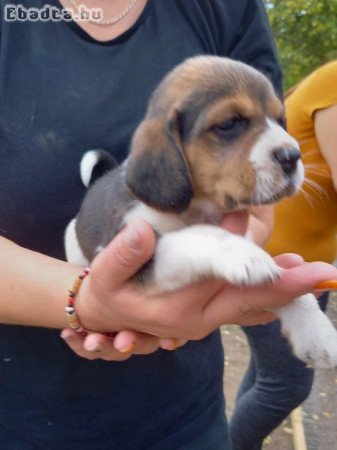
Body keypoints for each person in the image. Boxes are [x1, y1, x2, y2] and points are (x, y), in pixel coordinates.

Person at [1, 1, 337, 448]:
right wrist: (86, 299)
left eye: (274, 120)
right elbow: (157, 260)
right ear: (171, 145)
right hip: (27, 408)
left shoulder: (225, 9)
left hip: (186, 413)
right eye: (232, 123)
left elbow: (249, 236)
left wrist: (293, 303)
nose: (284, 145)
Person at [230, 60, 337, 450]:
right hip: (278, 264)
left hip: (300, 266)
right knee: (286, 386)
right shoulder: (335, 82)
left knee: (268, 375)